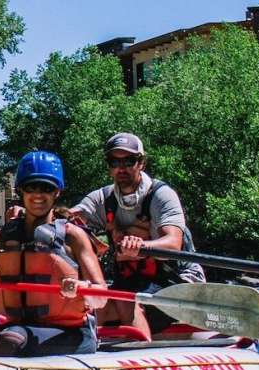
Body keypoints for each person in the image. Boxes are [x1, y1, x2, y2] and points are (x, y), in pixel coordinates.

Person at [70, 133, 205, 334]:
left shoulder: (161, 195)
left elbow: (173, 244)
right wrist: (30, 215)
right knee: (91, 305)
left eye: (129, 161)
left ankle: (139, 346)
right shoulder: (102, 199)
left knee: (125, 301)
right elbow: (66, 220)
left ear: (141, 163)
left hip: (178, 281)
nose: (121, 168)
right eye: (114, 161)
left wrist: (141, 247)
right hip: (132, 282)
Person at [0, 151, 109, 356]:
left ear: (57, 192)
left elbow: (101, 299)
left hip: (71, 334)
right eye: (31, 187)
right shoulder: (1, 238)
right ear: (21, 190)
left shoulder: (73, 236)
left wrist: (83, 288)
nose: (38, 194)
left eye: (46, 188)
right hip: (17, 330)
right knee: (1, 338)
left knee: (9, 340)